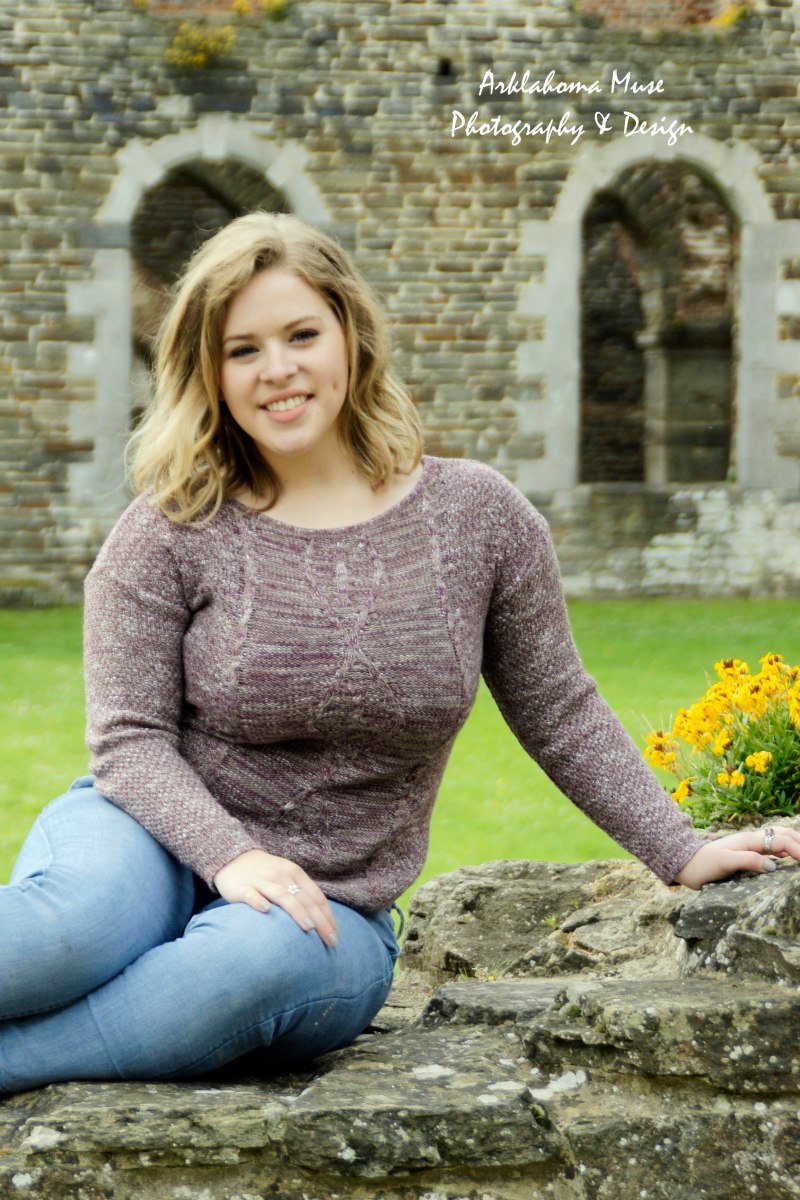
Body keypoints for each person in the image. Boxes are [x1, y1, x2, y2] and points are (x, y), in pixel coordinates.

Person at [1, 212, 798, 1095]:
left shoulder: (478, 518)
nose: (278, 370)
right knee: (71, 927)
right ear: (209, 373)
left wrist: (677, 849)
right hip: (145, 838)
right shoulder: (169, 528)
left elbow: (559, 708)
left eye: (302, 335)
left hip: (331, 910)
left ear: (351, 335)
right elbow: (128, 742)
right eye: (243, 350)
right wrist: (231, 856)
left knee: (244, 969)